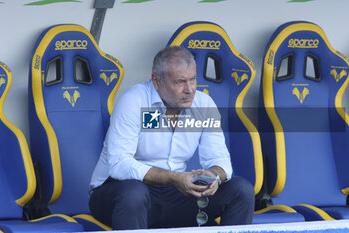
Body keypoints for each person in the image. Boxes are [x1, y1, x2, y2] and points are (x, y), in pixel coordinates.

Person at [89, 46, 255, 230]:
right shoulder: (134, 101)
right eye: (180, 82)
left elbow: (220, 159)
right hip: (121, 194)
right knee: (134, 192)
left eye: (193, 80)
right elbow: (118, 164)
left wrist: (214, 176)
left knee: (240, 189)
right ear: (156, 80)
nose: (190, 90)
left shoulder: (203, 104)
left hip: (176, 194)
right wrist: (174, 178)